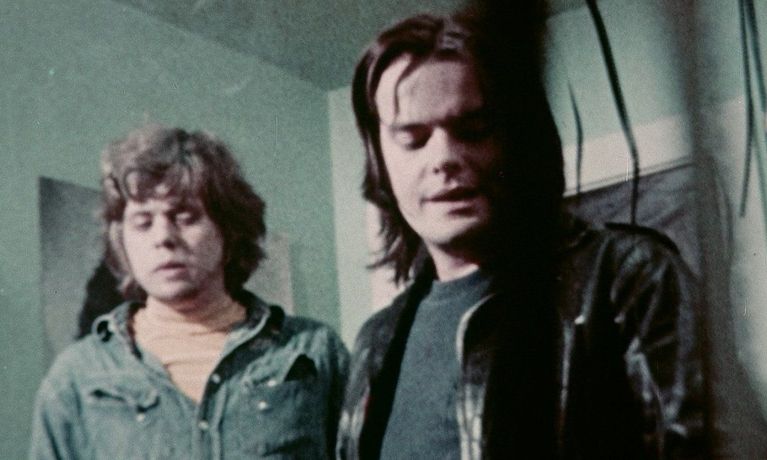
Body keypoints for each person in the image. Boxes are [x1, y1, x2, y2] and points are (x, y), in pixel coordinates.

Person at [337, 11, 704, 459]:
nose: (444, 158)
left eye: (474, 130)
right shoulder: (375, 341)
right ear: (379, 160)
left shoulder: (630, 280)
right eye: (413, 139)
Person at [30, 125, 349, 459]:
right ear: (121, 240)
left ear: (228, 230)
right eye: (143, 222)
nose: (163, 237)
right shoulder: (78, 376)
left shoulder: (312, 353)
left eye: (185, 216)